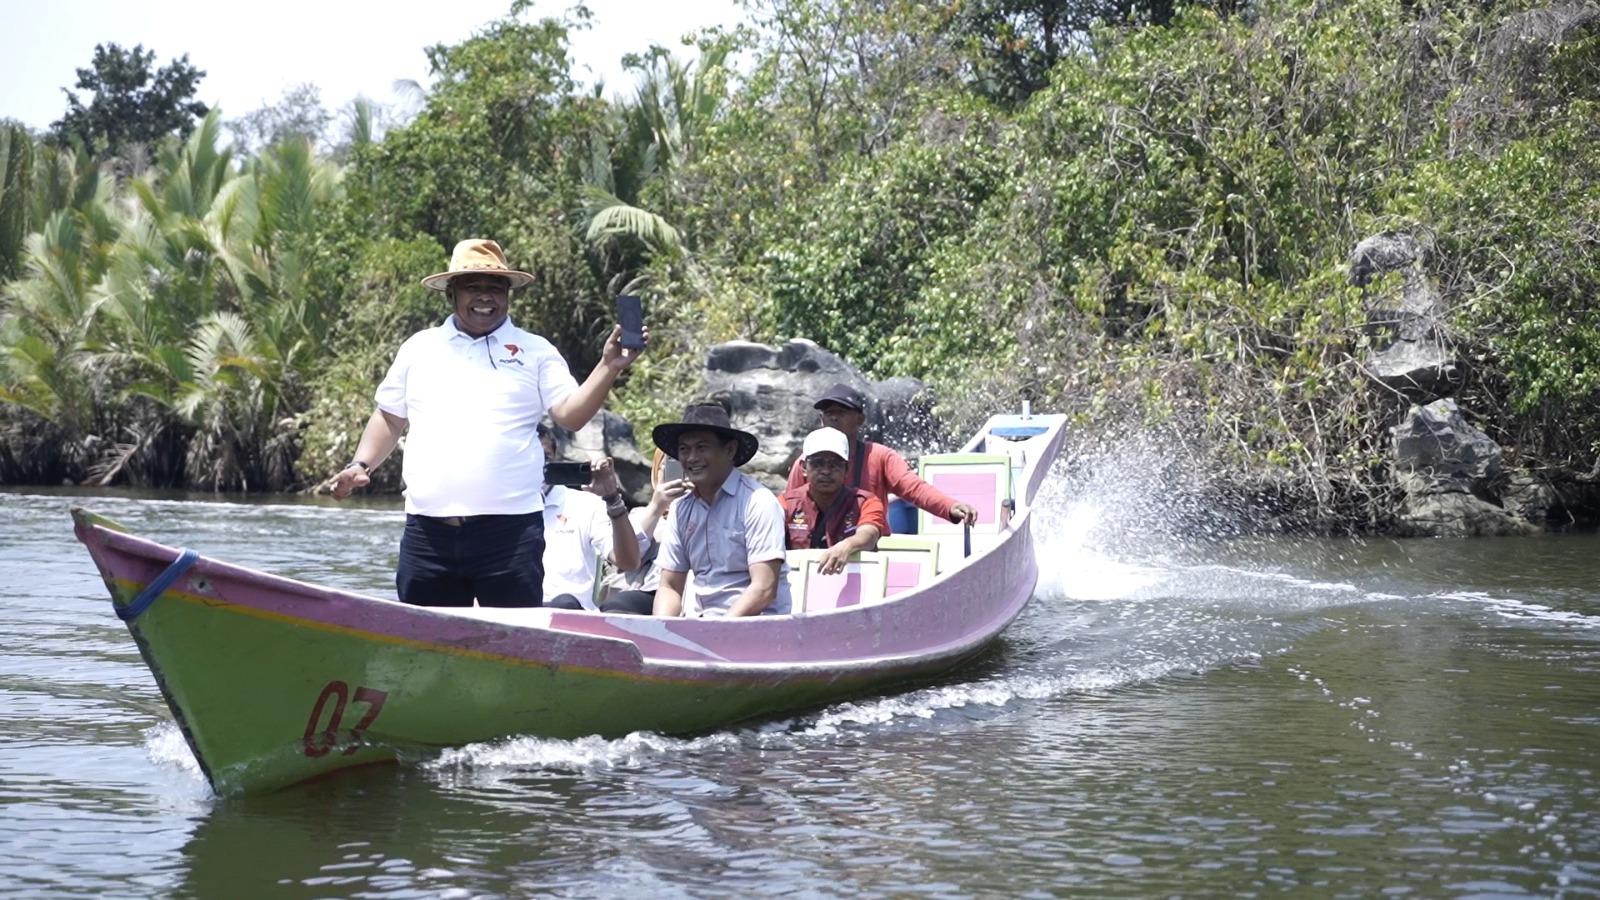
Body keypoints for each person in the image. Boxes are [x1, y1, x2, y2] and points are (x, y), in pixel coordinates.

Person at [325, 238, 645, 608]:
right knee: (426, 647)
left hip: (510, 534)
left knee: (513, 646)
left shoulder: (535, 350)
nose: (485, 297)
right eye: (472, 287)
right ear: (451, 292)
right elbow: (389, 417)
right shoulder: (419, 348)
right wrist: (360, 465)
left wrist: (609, 366)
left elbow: (571, 415)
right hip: (428, 533)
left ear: (508, 295)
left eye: (495, 287)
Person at [651, 401, 792, 618]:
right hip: (702, 627)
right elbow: (669, 587)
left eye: (702, 447)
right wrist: (661, 631)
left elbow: (763, 589)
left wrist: (717, 634)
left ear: (730, 450)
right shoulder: (681, 508)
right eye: (684, 449)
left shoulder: (758, 502)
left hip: (757, 630)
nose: (691, 458)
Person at [784, 382, 978, 530]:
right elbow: (791, 508)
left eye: (841, 412)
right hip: (817, 554)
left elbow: (915, 488)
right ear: (821, 419)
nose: (833, 418)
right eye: (828, 413)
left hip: (869, 552)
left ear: (860, 420)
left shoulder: (879, 457)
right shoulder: (807, 462)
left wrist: (949, 507)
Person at [535, 423, 645, 611]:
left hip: (569, 617)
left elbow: (629, 561)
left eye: (544, 457)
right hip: (514, 620)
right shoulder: (494, 508)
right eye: (528, 458)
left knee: (564, 603)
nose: (537, 465)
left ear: (554, 459)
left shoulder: (584, 505)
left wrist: (612, 498)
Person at [779, 427, 887, 575]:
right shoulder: (785, 503)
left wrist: (848, 546)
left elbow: (869, 534)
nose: (826, 471)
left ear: (847, 469)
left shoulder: (866, 502)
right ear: (804, 468)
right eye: (817, 463)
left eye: (835, 464)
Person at [597, 473, 692, 615]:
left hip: (695, 591)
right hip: (650, 591)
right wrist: (657, 507)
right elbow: (627, 558)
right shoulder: (642, 514)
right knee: (617, 606)